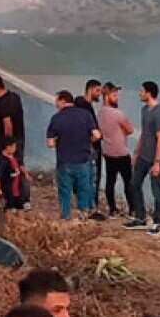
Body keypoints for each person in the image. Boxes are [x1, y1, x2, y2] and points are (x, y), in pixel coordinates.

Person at [46, 90, 102, 221]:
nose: (56, 104)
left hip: (64, 161)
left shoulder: (56, 118)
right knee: (83, 189)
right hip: (83, 160)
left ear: (62, 101)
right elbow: (97, 135)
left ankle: (66, 217)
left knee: (65, 191)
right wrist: (88, 141)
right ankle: (83, 215)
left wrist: (59, 141)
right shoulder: (85, 114)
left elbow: (50, 143)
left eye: (57, 101)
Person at [124, 81, 160, 235]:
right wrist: (136, 152)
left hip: (155, 157)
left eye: (142, 91)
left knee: (156, 189)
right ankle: (141, 217)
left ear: (149, 93)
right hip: (143, 155)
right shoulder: (144, 110)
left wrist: (157, 162)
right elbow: (144, 133)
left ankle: (158, 222)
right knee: (134, 184)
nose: (139, 93)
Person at [96, 83, 134, 217]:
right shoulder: (118, 114)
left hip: (108, 153)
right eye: (114, 95)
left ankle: (112, 209)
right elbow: (130, 130)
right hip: (121, 153)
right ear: (106, 97)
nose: (117, 97)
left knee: (110, 182)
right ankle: (133, 209)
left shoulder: (99, 114)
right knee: (128, 182)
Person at [74, 79, 103, 197]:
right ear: (90, 89)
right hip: (89, 148)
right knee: (90, 177)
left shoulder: (86, 105)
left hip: (91, 147)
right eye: (97, 90)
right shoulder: (82, 105)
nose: (99, 93)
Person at [0, 75, 25, 157]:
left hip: (9, 143)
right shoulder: (15, 96)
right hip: (19, 138)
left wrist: (7, 145)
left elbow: (8, 126)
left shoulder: (2, 103)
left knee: (7, 167)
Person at [0, 139, 29, 213]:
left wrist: (26, 173)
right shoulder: (2, 161)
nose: (15, 148)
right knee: (10, 206)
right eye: (14, 147)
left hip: (17, 186)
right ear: (8, 147)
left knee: (20, 206)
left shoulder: (15, 156)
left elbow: (21, 165)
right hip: (8, 188)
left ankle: (19, 221)